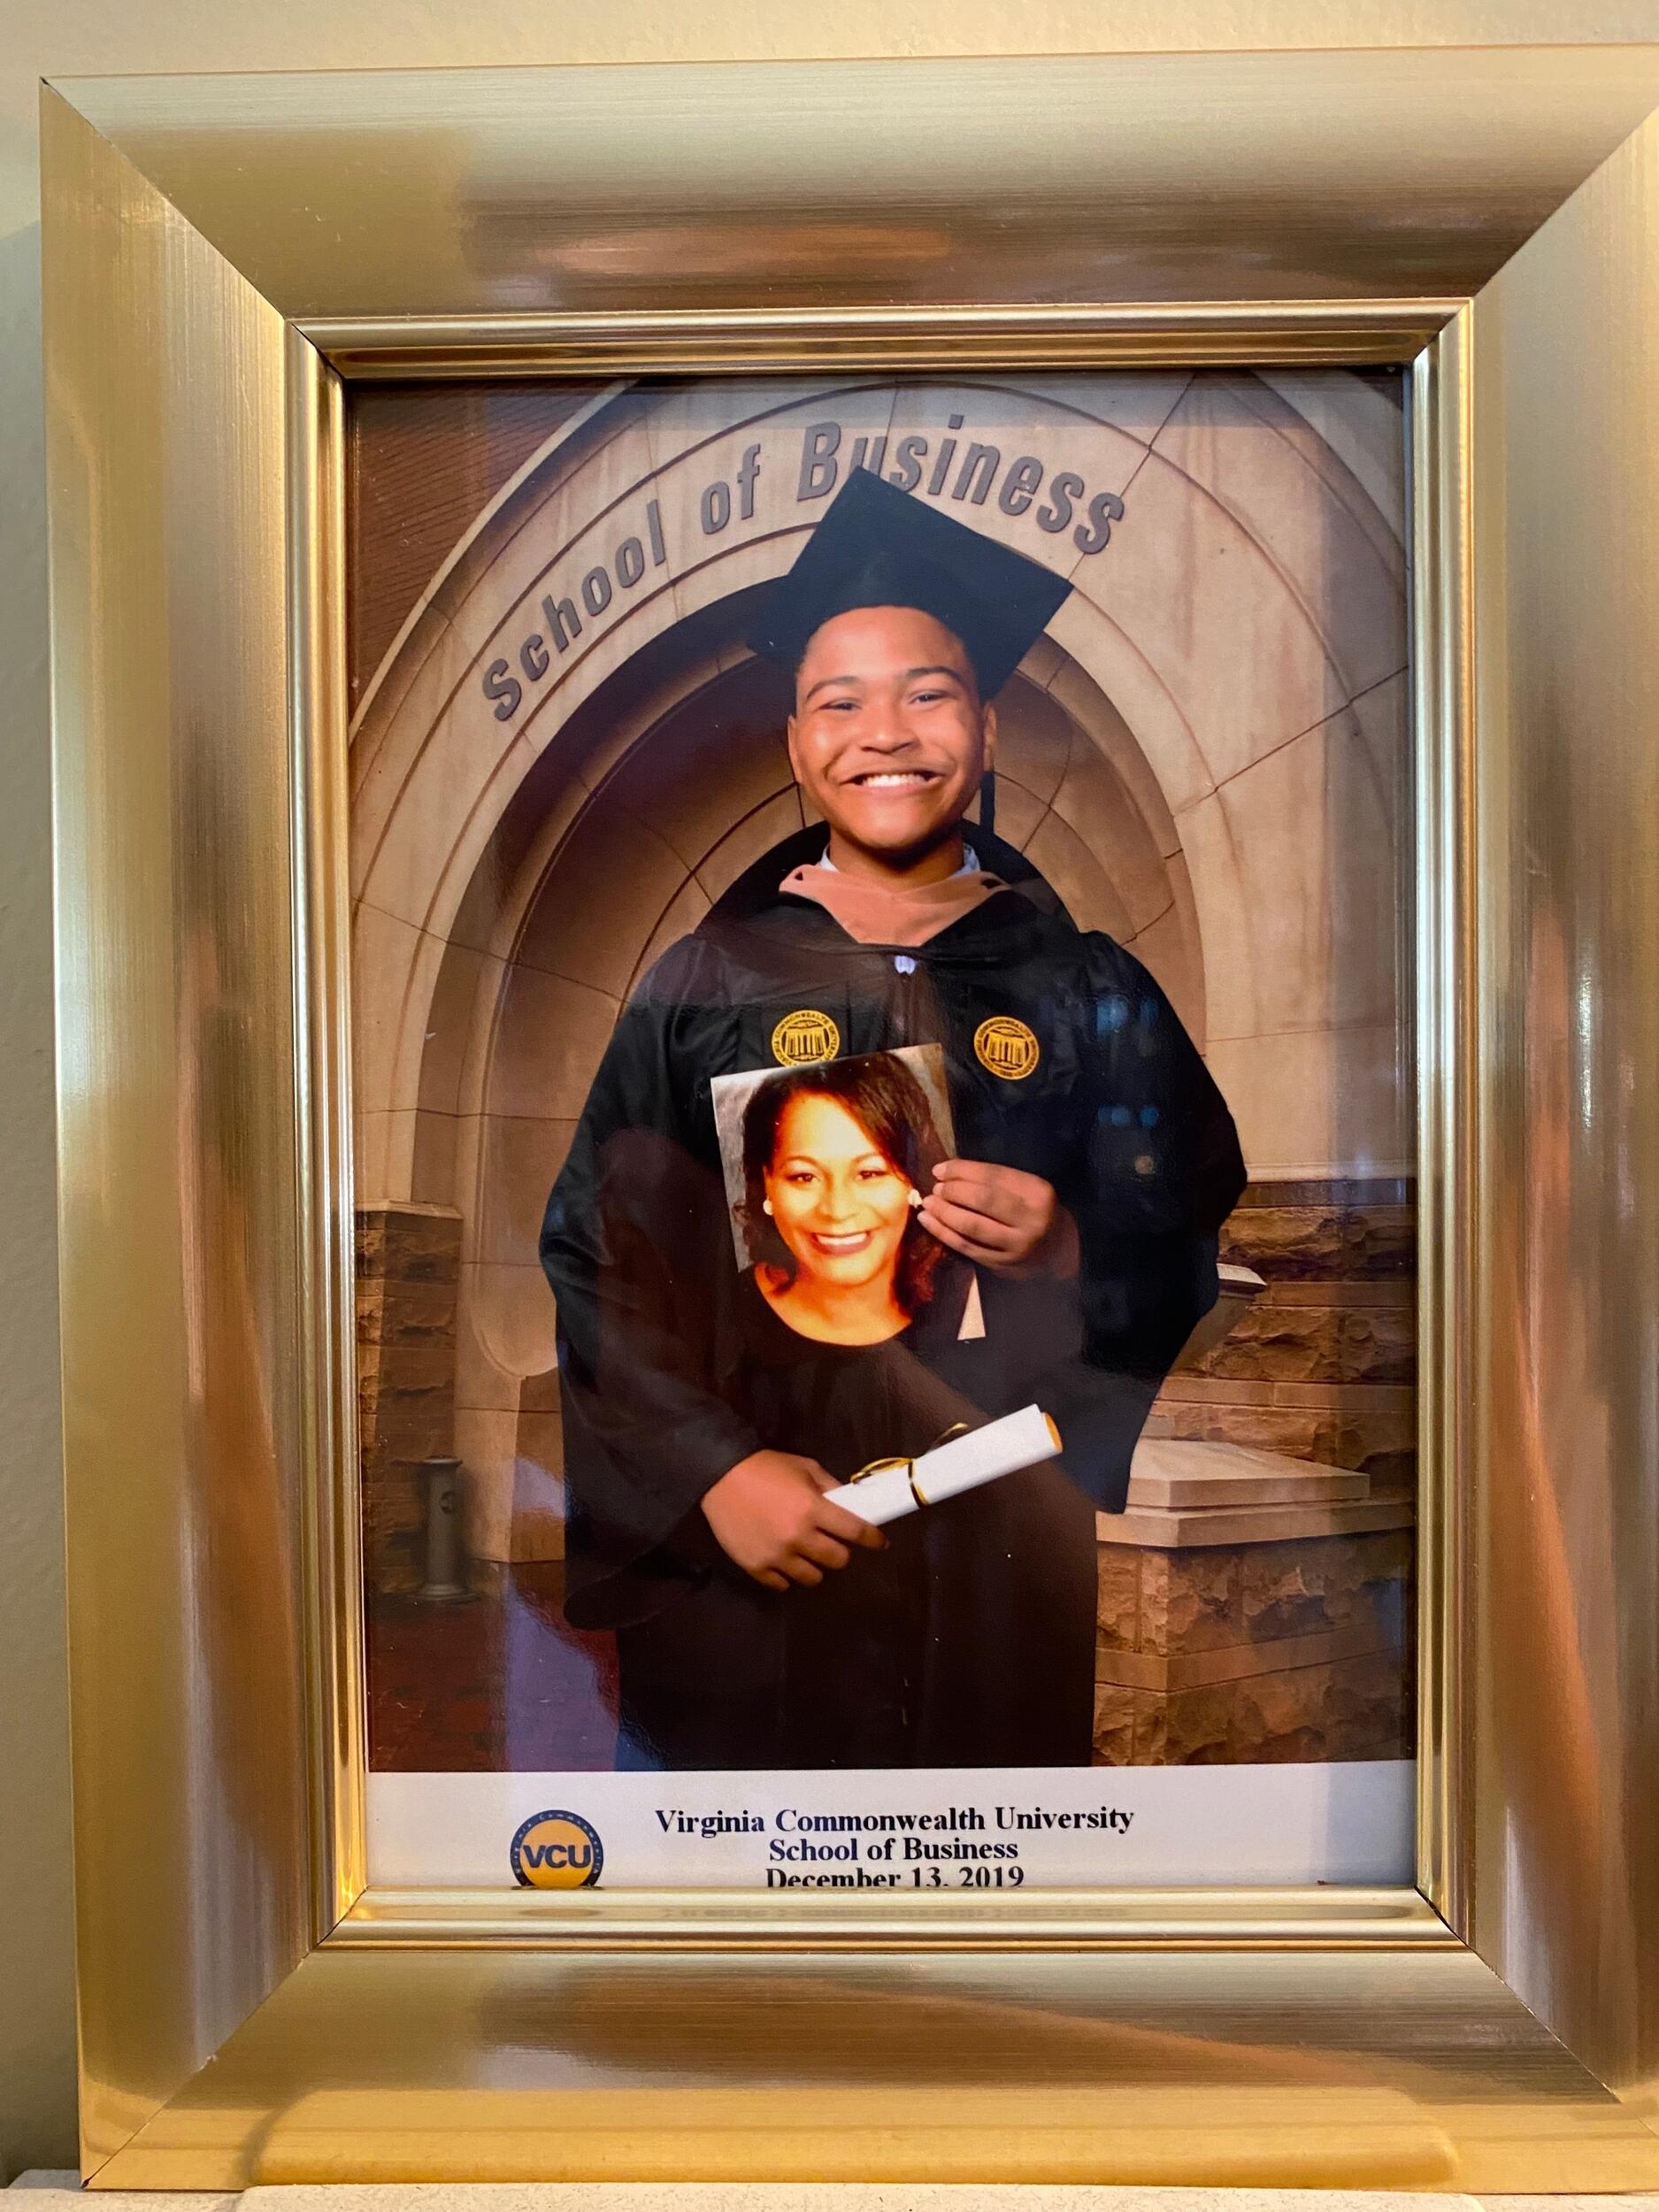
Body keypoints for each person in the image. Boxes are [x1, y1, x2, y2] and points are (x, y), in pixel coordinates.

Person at [541, 466, 1247, 1770]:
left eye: (925, 692)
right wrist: (709, 1471)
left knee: (976, 1879)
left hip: (995, 1540)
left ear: (982, 728)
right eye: (839, 701)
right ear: (799, 747)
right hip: (752, 1539)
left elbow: (1187, 1198)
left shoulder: (1081, 981)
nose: (886, 729)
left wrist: (1071, 1244)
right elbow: (598, 1246)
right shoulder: (709, 981)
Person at [739, 1053, 954, 1347]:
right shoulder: (715, 1313)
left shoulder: (966, 1306)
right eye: (804, 1176)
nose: (837, 1210)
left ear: (914, 1182)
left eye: (869, 1173)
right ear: (767, 1184)